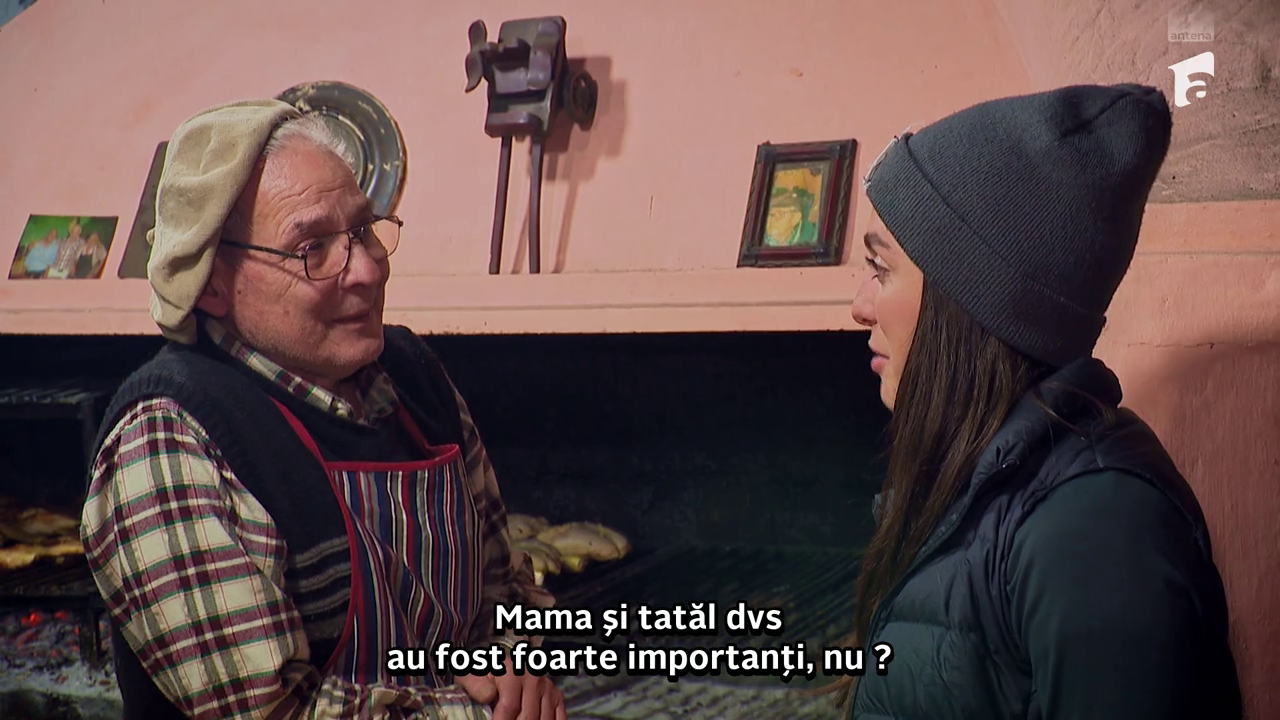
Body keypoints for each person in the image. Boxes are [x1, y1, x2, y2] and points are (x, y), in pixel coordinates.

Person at [81, 99, 564, 720]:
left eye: (363, 231)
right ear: (214, 282)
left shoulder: (416, 381)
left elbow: (503, 587)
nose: (366, 270)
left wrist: (516, 669)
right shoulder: (166, 438)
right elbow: (279, 710)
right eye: (313, 248)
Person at [832, 84, 1242, 719]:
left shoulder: (1096, 530)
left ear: (972, 302)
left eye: (880, 269)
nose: (860, 306)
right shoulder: (980, 483)